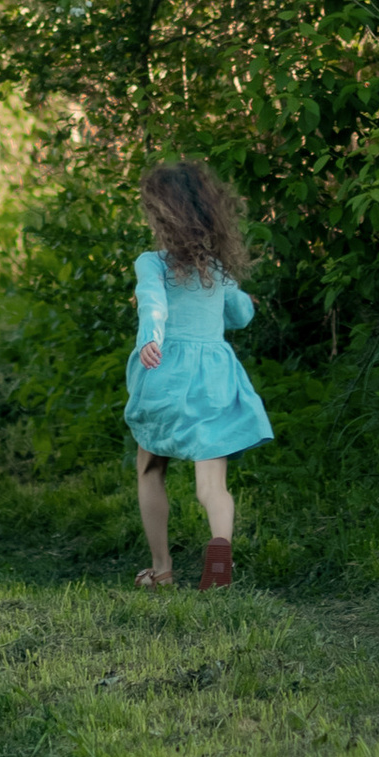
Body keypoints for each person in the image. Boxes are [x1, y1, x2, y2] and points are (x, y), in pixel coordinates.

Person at [125, 156, 272, 589]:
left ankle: (162, 568)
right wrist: (246, 303)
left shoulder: (152, 263)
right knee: (212, 482)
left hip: (166, 373)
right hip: (214, 379)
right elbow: (240, 314)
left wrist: (150, 337)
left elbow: (153, 302)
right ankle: (220, 544)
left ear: (160, 214)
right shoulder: (218, 268)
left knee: (151, 466)